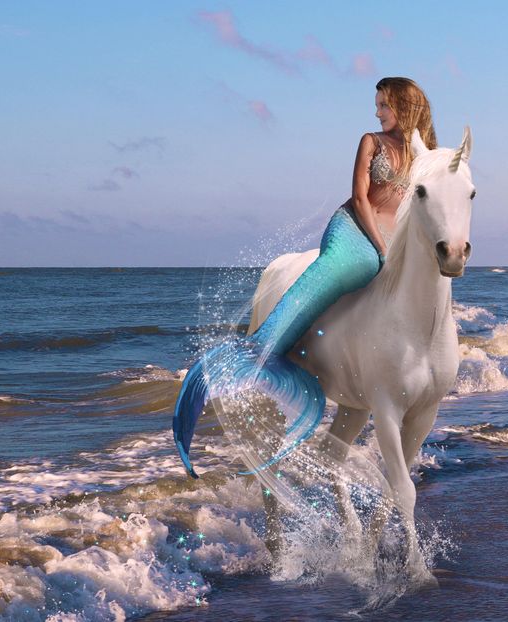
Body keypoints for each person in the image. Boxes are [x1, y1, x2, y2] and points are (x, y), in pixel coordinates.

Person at [173, 77, 438, 477]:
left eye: (384, 105)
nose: (377, 112)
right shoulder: (371, 141)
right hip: (356, 231)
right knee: (358, 267)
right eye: (378, 104)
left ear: (404, 106)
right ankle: (266, 351)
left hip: (397, 242)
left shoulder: (426, 154)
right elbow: (362, 197)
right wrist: (381, 248)